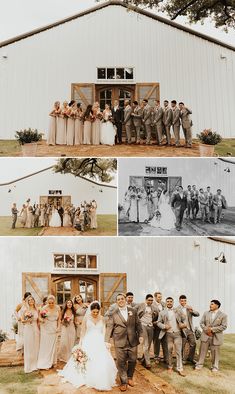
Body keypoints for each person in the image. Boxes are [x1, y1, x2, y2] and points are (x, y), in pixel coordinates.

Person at [58, 301, 117, 391]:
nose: (95, 314)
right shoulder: (86, 318)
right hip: (88, 340)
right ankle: (85, 376)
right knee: (87, 358)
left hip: (99, 341)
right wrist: (81, 342)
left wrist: (105, 342)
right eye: (94, 312)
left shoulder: (102, 318)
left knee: (100, 359)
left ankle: (99, 377)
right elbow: (83, 331)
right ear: (90, 310)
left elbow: (104, 330)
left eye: (97, 312)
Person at [105, 294, 143, 392]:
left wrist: (141, 335)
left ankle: (130, 377)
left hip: (132, 340)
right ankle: (124, 382)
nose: (121, 300)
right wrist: (106, 341)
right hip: (119, 340)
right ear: (116, 302)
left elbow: (138, 324)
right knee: (121, 362)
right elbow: (109, 327)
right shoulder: (113, 313)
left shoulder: (133, 311)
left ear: (125, 300)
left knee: (133, 360)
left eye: (122, 299)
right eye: (118, 299)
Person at [157, 297, 186, 376]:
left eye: (171, 301)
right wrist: (164, 326)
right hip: (168, 334)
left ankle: (180, 368)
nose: (169, 303)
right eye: (168, 301)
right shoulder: (162, 312)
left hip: (177, 333)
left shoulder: (178, 310)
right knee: (169, 351)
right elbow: (158, 322)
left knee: (178, 351)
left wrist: (183, 324)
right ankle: (170, 366)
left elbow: (184, 319)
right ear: (166, 303)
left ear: (173, 302)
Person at [195, 300, 227, 372]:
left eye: (212, 304)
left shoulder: (223, 315)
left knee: (215, 352)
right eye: (210, 304)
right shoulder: (206, 313)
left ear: (217, 305)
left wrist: (212, 330)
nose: (210, 305)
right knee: (202, 351)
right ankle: (199, 364)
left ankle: (215, 366)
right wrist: (207, 330)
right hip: (205, 335)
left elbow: (224, 326)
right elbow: (201, 323)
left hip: (216, 337)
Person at [37, 295, 61, 370]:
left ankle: (53, 362)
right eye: (49, 303)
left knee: (53, 344)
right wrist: (42, 320)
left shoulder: (58, 308)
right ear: (47, 302)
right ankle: (45, 362)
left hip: (54, 327)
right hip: (46, 327)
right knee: (46, 345)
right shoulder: (44, 308)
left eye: (52, 303)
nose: (51, 304)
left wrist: (58, 327)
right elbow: (39, 317)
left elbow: (59, 319)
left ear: (54, 302)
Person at [176, 295, 199, 365]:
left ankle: (190, 358)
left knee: (193, 344)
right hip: (182, 330)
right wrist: (181, 326)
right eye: (182, 301)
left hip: (190, 329)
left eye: (185, 301)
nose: (183, 302)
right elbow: (177, 320)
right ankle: (183, 359)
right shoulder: (177, 309)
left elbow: (197, 314)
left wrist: (192, 310)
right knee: (182, 345)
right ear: (179, 301)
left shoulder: (189, 308)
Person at [137, 294, 158, 369]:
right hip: (143, 325)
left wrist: (154, 320)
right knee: (145, 344)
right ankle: (148, 362)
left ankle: (143, 359)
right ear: (146, 300)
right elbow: (133, 310)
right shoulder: (141, 305)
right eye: (149, 300)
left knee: (149, 345)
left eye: (152, 300)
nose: (150, 301)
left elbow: (157, 315)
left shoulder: (154, 307)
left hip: (150, 326)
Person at [21, 296, 40, 373]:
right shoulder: (25, 310)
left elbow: (38, 320)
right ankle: (29, 366)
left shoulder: (36, 309)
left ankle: (35, 365)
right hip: (28, 328)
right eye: (29, 300)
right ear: (27, 302)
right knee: (29, 346)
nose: (31, 301)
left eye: (32, 299)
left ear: (34, 301)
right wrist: (28, 320)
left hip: (35, 328)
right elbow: (22, 320)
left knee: (36, 346)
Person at [153, 292, 168, 363]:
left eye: (161, 297)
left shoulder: (164, 304)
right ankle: (156, 357)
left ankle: (166, 357)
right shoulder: (152, 304)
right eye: (159, 297)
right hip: (156, 326)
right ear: (155, 297)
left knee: (165, 342)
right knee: (157, 342)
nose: (160, 298)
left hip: (164, 326)